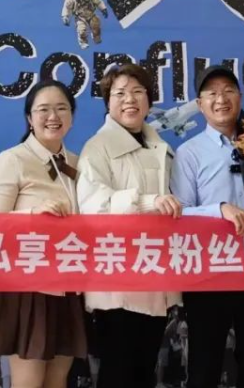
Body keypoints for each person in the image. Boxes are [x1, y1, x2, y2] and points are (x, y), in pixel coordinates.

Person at [170, 65, 244, 388]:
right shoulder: (189, 153)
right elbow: (180, 213)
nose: (221, 99)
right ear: (200, 104)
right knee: (204, 365)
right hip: (210, 273)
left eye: (228, 91)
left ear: (240, 97)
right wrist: (219, 210)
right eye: (212, 93)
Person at [0, 80, 88, 388]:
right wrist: (33, 215)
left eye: (62, 108)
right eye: (43, 110)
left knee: (58, 379)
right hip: (28, 287)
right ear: (29, 118)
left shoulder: (77, 162)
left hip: (69, 283)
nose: (53, 116)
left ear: (72, 116)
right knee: (29, 381)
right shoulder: (12, 159)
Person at [77, 64, 183, 388]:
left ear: (149, 101)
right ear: (107, 102)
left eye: (138, 92)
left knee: (143, 371)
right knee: (118, 372)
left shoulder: (160, 147)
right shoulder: (97, 147)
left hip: (154, 273)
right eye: (120, 93)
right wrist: (147, 202)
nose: (130, 100)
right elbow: (93, 206)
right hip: (116, 280)